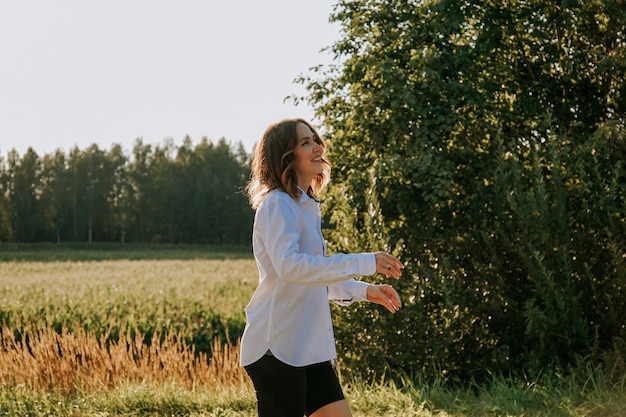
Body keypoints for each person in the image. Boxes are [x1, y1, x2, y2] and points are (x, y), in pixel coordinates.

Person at [240, 118, 404, 417]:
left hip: (306, 348)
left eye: (315, 139)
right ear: (285, 156)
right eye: (306, 142)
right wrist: (366, 261)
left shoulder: (304, 206)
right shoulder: (278, 204)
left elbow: (314, 275)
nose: (318, 147)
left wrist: (366, 291)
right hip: (277, 348)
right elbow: (292, 268)